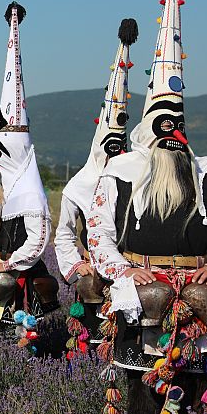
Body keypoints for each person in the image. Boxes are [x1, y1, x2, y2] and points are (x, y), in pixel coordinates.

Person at [88, 0, 207, 414]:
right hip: (143, 287)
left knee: (199, 380)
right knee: (137, 379)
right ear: (149, 126)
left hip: (195, 286)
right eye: (164, 125)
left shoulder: (206, 172)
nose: (173, 135)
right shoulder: (122, 171)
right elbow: (99, 231)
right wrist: (121, 269)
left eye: (179, 124)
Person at [0, 2, 58, 349]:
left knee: (0, 284)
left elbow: (35, 244)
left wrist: (7, 262)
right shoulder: (4, 188)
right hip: (2, 265)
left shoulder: (30, 194)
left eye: (2, 154)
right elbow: (2, 234)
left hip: (21, 275)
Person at [54, 19, 138, 358]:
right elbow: (62, 234)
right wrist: (77, 265)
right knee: (93, 334)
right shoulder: (79, 185)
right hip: (94, 274)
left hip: (133, 270)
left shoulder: (138, 177)